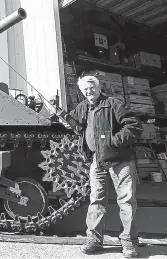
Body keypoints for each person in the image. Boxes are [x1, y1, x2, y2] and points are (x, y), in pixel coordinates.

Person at [65, 70, 143, 258]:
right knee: (96, 201)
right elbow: (74, 121)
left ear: (99, 87)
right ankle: (94, 240)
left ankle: (129, 243)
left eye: (92, 87)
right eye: (85, 89)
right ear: (81, 91)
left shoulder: (114, 104)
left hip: (120, 160)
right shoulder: (84, 106)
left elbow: (134, 127)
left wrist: (113, 141)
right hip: (97, 161)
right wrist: (64, 119)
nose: (89, 91)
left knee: (126, 202)